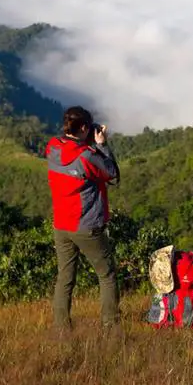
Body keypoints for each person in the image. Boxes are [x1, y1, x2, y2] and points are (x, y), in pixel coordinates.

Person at [46, 105, 121, 334]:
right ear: (85, 128)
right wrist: (101, 145)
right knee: (107, 275)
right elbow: (112, 175)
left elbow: (71, 156)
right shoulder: (87, 156)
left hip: (61, 225)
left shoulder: (52, 147)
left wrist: (86, 142)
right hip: (86, 225)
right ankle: (111, 329)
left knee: (65, 277)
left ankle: (61, 329)